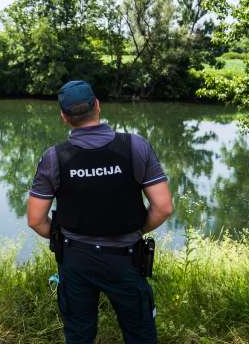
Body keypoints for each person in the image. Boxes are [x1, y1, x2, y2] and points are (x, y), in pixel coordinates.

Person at [26, 80, 173, 344]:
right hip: (126, 257)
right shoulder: (135, 146)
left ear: (64, 117)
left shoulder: (54, 157)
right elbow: (163, 207)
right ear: (97, 105)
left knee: (79, 335)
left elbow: (35, 220)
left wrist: (63, 237)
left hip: (75, 258)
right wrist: (137, 230)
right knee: (140, 333)